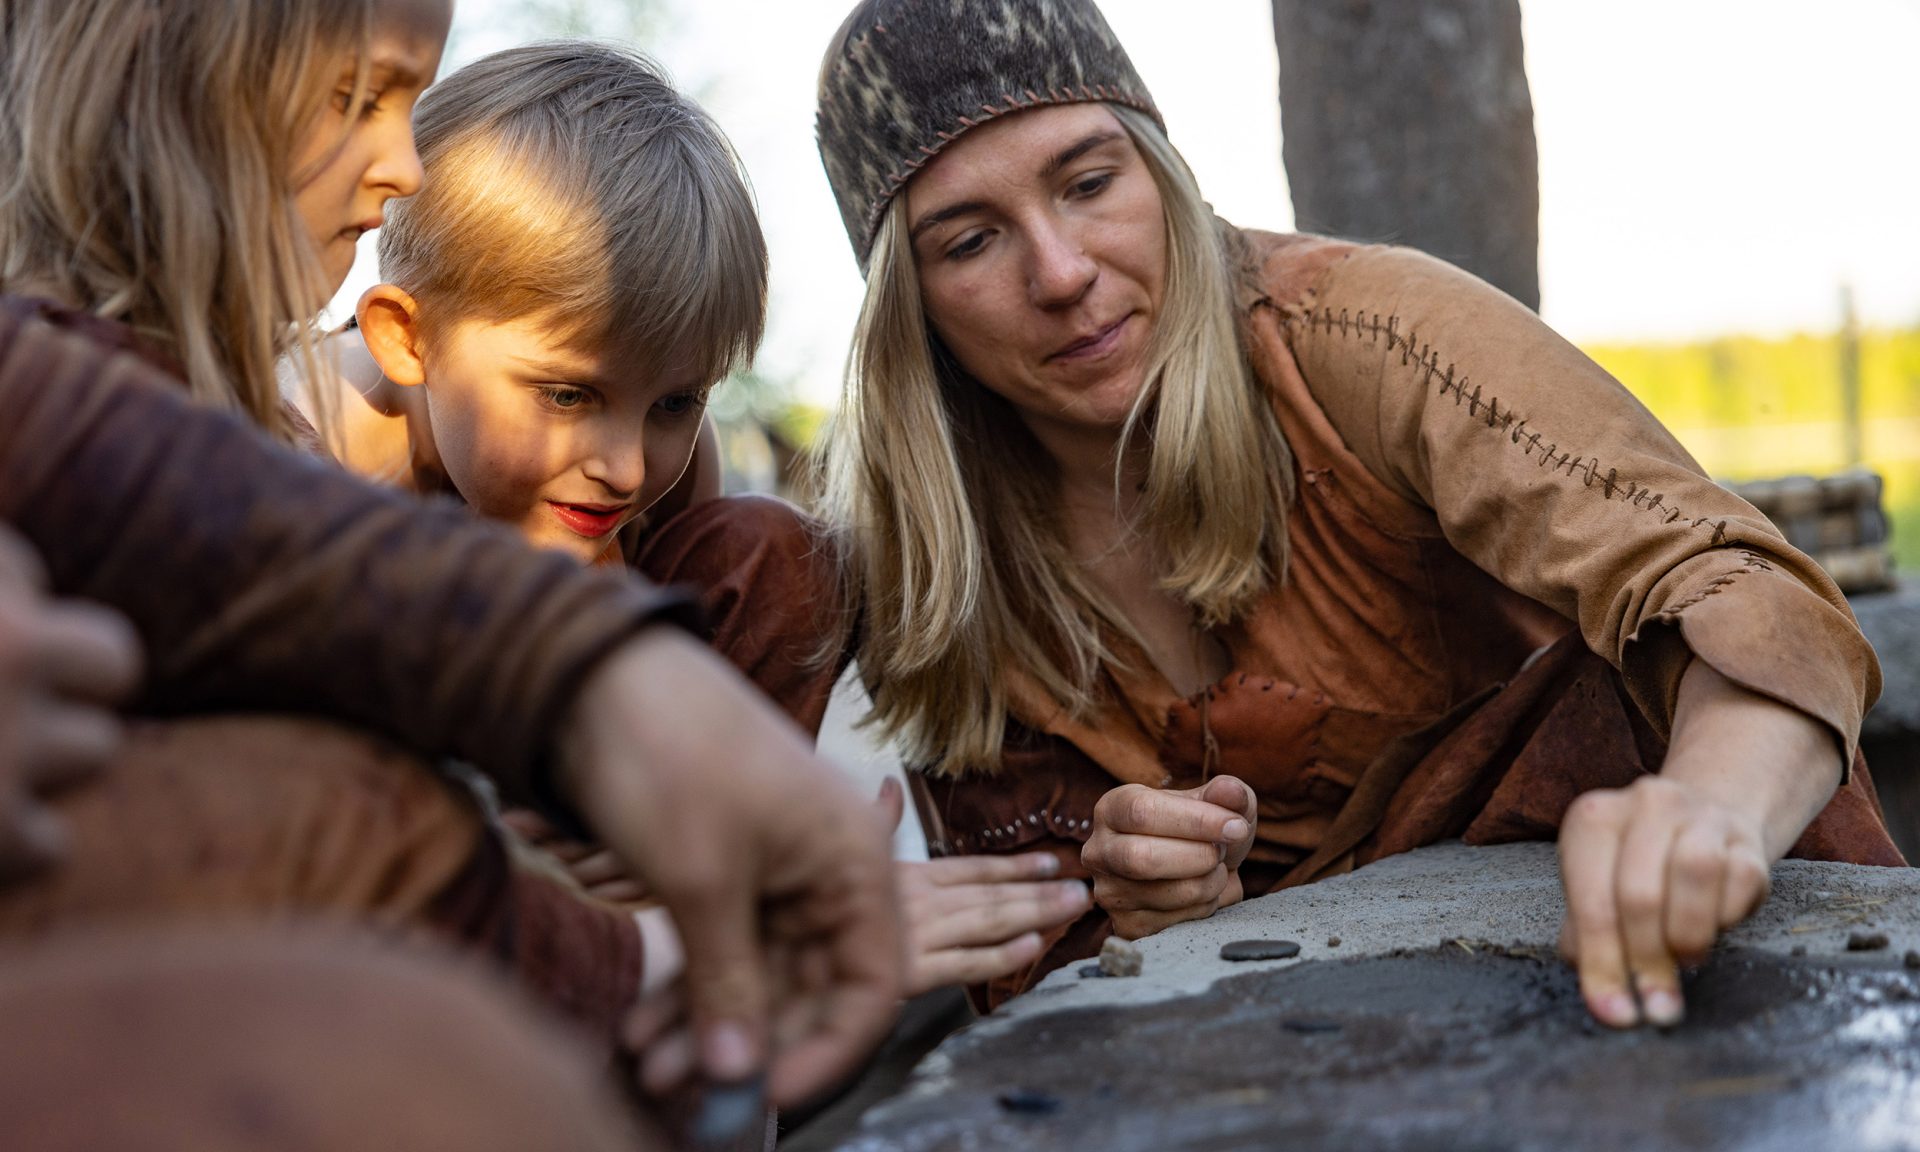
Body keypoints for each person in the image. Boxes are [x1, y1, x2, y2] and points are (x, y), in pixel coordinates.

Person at [811, 0, 1903, 1027]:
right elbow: (1034, 982)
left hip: (1573, 967)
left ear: (1163, 171)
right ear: (909, 312)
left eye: (1090, 183)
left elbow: (1733, 587)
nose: (1060, 272)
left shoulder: (1363, 333)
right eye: (968, 242)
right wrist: (1150, 896)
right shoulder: (924, 551)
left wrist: (1712, 812)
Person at [0, 0, 902, 1114]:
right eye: (358, 95)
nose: (406, 164)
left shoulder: (103, 400)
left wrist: (620, 706)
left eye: (412, 104)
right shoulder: (283, 435)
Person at [316, 41, 1091, 1026]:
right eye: (567, 393)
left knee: (777, 553)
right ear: (405, 338)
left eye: (676, 402)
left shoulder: (641, 487)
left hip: (602, 795)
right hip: (394, 895)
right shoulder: (304, 467)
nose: (628, 465)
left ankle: (694, 874)